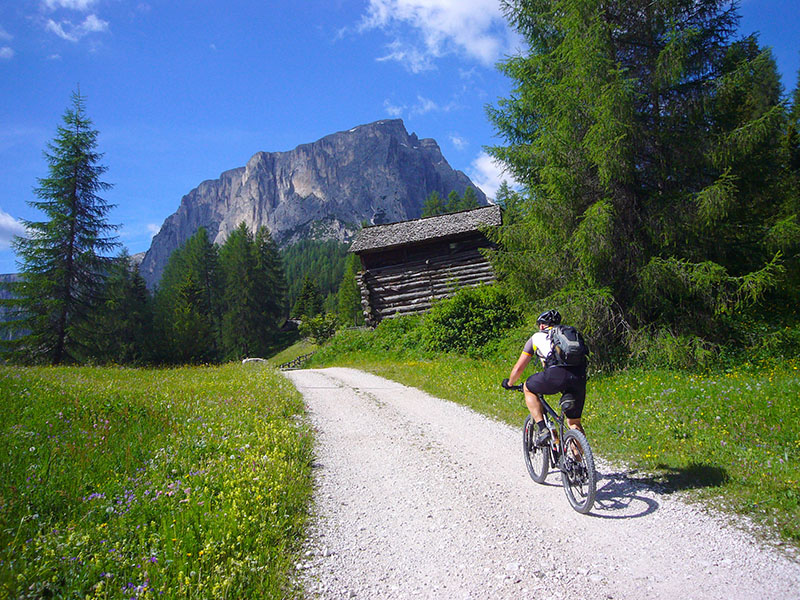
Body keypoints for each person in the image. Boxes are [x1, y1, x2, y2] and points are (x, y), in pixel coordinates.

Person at [502, 309, 587, 446]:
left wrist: (510, 383)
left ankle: (543, 430)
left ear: (542, 325)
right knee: (574, 422)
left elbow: (519, 368)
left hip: (555, 375)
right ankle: (580, 464)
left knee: (528, 387)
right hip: (579, 376)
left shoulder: (536, 337)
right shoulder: (570, 334)